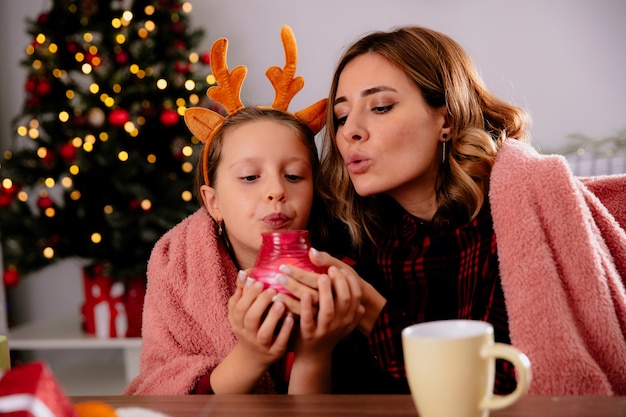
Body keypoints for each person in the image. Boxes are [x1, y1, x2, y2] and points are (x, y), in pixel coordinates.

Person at [280, 25, 626, 395]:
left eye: (380, 107)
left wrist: (370, 311)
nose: (351, 131)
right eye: (343, 116)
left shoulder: (511, 222)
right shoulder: (347, 238)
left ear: (445, 120)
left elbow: (503, 390)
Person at [123, 26, 364, 395]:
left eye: (295, 176)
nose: (275, 192)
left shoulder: (344, 264)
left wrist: (315, 352)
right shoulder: (178, 266)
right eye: (250, 177)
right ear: (213, 201)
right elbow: (159, 387)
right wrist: (250, 357)